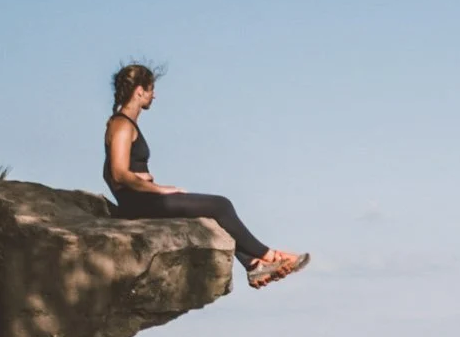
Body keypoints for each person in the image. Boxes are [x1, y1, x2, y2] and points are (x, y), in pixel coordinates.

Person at [103, 63, 308, 287]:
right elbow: (118, 173)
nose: (155, 95)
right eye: (151, 89)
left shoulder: (123, 123)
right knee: (220, 205)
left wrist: (144, 181)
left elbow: (113, 172)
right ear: (139, 91)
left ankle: (253, 265)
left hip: (141, 199)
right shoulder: (122, 124)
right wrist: (158, 189)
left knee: (209, 217)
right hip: (138, 203)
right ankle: (270, 255)